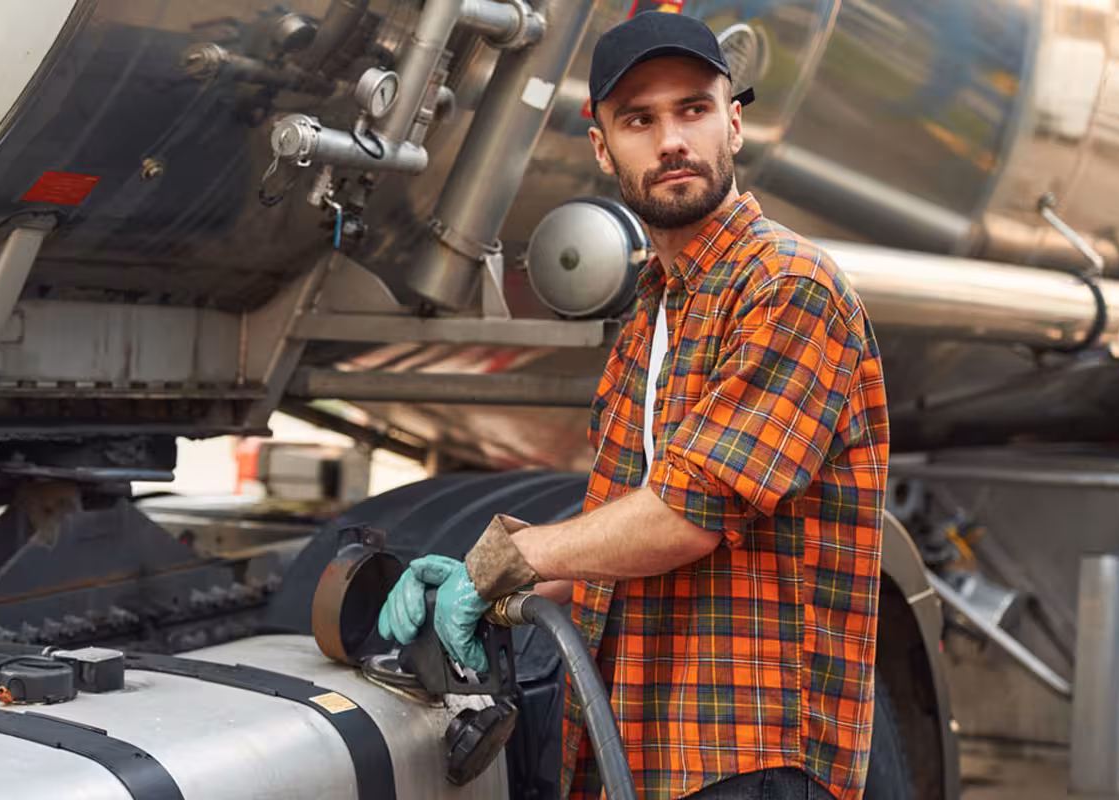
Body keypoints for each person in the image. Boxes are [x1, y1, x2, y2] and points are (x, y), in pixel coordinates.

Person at [376, 11, 890, 800]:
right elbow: (613, 545)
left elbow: (690, 512)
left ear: (735, 123)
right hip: (643, 748)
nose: (671, 140)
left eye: (694, 109)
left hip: (750, 757)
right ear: (602, 145)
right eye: (639, 120)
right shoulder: (652, 314)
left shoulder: (787, 288)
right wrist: (494, 586)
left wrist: (507, 559)